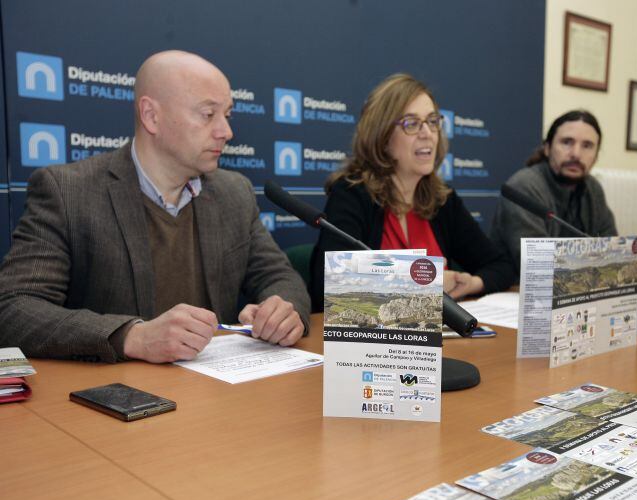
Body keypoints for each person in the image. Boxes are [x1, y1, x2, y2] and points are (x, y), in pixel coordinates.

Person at [0, 50, 310, 363]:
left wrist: (281, 310)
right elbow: (14, 308)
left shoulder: (234, 193)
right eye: (208, 114)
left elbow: (280, 277)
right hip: (119, 397)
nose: (225, 132)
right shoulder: (69, 192)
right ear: (151, 116)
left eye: (227, 115)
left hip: (219, 394)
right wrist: (132, 336)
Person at [309, 73, 515, 312]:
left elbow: (501, 265)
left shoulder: (442, 200)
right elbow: (330, 286)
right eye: (412, 123)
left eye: (432, 121)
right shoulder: (353, 194)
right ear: (383, 137)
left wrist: (470, 284)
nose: (427, 133)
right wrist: (429, 283)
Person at [489, 110, 637, 278]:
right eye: (567, 142)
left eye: (587, 146)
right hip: (519, 295)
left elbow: (610, 247)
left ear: (596, 156)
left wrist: (632, 262)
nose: (576, 154)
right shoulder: (525, 186)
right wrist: (625, 265)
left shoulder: (592, 188)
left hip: (576, 295)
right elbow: (538, 267)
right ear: (547, 148)